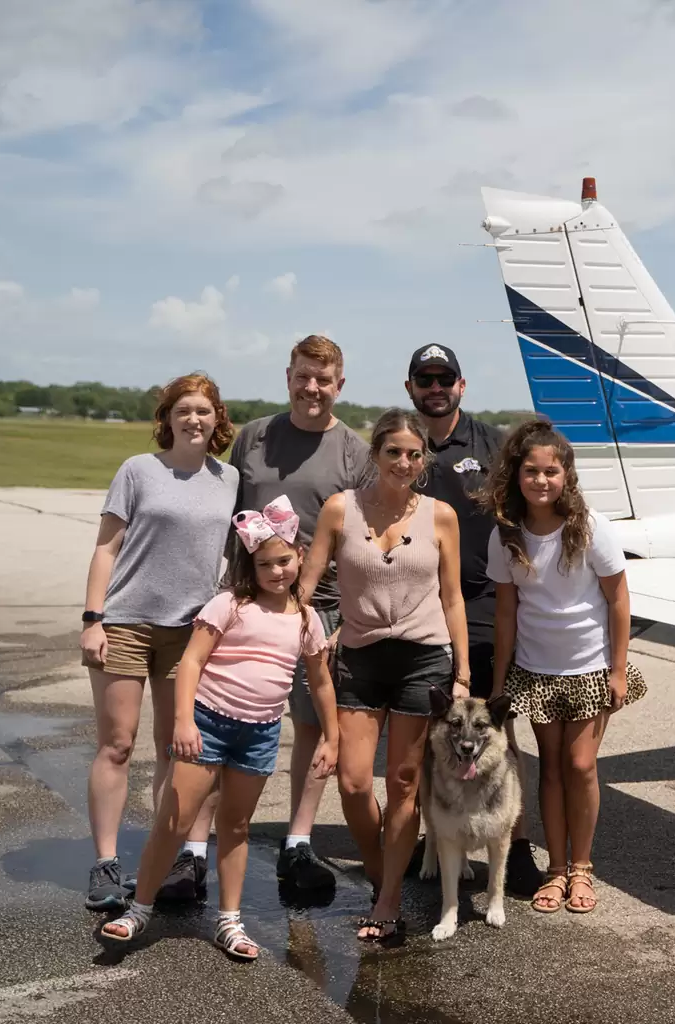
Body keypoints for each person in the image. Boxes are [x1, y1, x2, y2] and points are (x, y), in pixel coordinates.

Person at [170, 335, 374, 901]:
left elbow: (358, 540)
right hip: (244, 603)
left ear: (340, 384)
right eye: (304, 376)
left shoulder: (354, 452)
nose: (313, 388)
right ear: (288, 376)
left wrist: (347, 618)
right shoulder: (255, 438)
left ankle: (298, 842)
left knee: (310, 726)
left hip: (320, 611)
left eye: (325, 379)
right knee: (221, 725)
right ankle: (192, 852)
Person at [99, 497, 339, 960]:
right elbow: (190, 662)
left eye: (284, 561)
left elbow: (321, 681)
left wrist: (332, 735)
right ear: (251, 565)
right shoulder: (230, 603)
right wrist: (184, 720)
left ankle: (230, 921)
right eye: (265, 564)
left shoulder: (306, 619)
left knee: (236, 826)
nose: (276, 572)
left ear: (300, 556)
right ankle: (139, 910)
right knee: (175, 819)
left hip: (260, 732)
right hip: (207, 723)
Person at [301, 409, 471, 945]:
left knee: (402, 782)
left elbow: (452, 596)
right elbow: (305, 586)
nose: (404, 462)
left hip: (423, 658)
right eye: (393, 451)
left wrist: (462, 672)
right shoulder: (340, 509)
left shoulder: (441, 516)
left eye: (414, 453)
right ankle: (380, 871)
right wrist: (278, 629)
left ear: (425, 460)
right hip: (360, 655)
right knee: (352, 781)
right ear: (374, 454)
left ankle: (389, 898)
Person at [79, 373, 239, 912]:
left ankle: (162, 858)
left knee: (176, 749)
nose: (194, 419)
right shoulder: (138, 471)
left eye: (204, 410)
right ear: (167, 419)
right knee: (117, 745)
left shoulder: (229, 478)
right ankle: (105, 863)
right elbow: (106, 548)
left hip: (188, 633)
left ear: (219, 419)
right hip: (126, 622)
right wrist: (93, 618)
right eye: (183, 410)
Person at [484, 421, 647, 915]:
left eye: (551, 471)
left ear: (566, 474)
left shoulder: (591, 527)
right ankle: (555, 871)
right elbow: (507, 611)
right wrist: (499, 682)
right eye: (531, 471)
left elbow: (618, 599)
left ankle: (582, 867)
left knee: (581, 765)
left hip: (590, 667)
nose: (541, 480)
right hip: (536, 671)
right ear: (516, 476)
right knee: (550, 769)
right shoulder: (506, 535)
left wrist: (618, 670)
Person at [403, 342, 543, 897]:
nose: (435, 388)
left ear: (461, 385)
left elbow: (535, 502)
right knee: (423, 734)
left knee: (499, 733)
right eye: (425, 380)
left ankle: (519, 841)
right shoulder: (401, 446)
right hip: (416, 607)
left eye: (445, 379)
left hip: (483, 606)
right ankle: (434, 839)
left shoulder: (492, 446)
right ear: (410, 387)